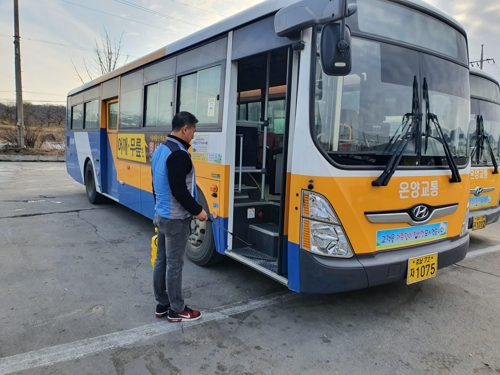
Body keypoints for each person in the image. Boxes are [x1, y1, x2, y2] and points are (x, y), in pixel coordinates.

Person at [151, 111, 208, 322]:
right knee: (174, 264)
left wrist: (159, 208)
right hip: (175, 219)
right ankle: (176, 309)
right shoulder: (179, 154)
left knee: (161, 261)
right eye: (193, 131)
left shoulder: (161, 150)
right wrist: (198, 210)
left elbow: (156, 184)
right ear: (185, 129)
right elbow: (179, 190)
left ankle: (162, 304)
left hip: (162, 214)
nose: (193, 135)